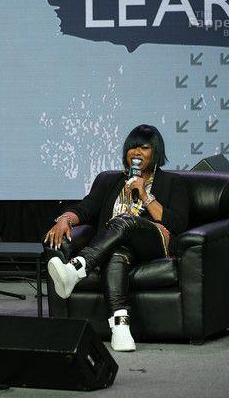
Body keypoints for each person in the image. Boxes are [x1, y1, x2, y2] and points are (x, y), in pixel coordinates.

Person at [44, 125, 188, 352]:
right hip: (118, 245)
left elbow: (178, 223)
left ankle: (77, 268)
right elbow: (85, 209)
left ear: (156, 152)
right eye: (132, 147)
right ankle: (120, 328)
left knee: (125, 220)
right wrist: (65, 219)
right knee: (116, 254)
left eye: (144, 148)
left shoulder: (173, 182)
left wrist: (144, 194)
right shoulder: (109, 181)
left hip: (154, 242)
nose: (136, 152)